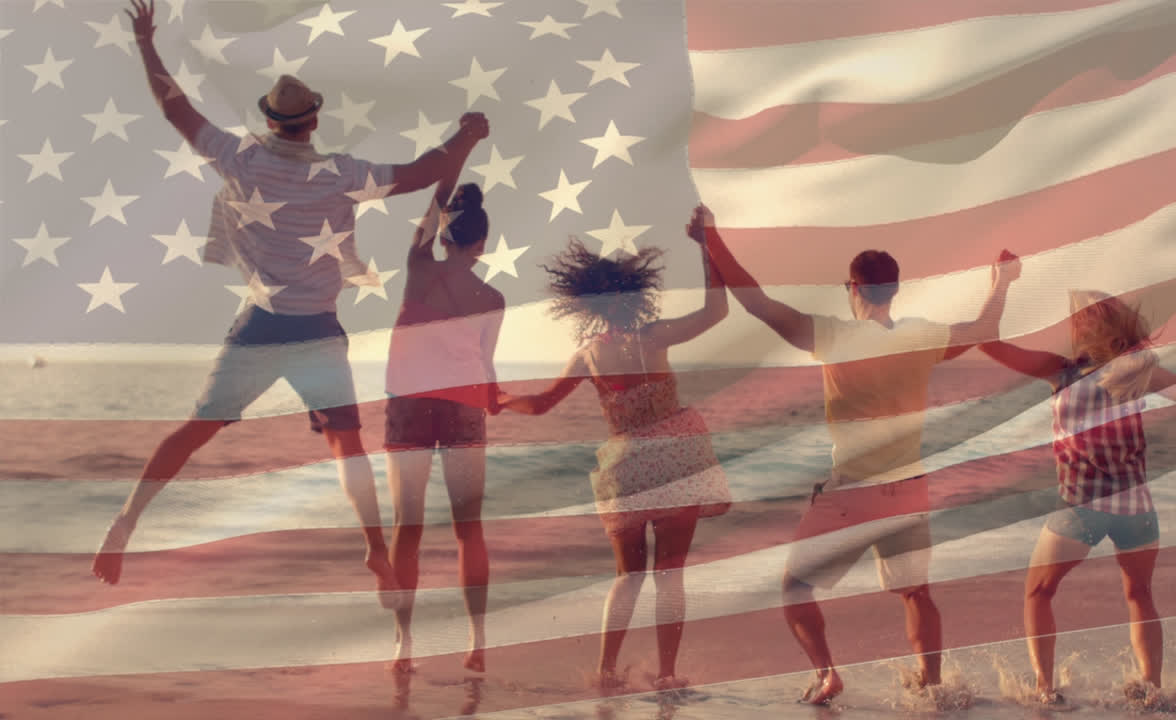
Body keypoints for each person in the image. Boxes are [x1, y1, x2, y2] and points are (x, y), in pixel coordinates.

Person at [91, 0, 490, 600]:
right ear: (312, 121)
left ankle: (126, 519)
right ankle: (374, 551)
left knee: (194, 430)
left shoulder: (237, 158)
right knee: (346, 448)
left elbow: (174, 106)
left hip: (259, 327)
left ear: (271, 121)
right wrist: (464, 138)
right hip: (317, 332)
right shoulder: (340, 173)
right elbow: (417, 173)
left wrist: (147, 43)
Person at [699, 207, 1020, 704]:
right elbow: (985, 327)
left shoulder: (836, 336)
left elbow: (755, 301)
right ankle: (931, 686)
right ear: (893, 290)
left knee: (795, 587)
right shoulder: (921, 336)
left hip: (854, 492)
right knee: (916, 593)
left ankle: (828, 674)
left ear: (852, 288)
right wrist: (1002, 281)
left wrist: (712, 239)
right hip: (910, 489)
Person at [979, 289, 1176, 707]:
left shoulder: (1060, 371)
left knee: (1038, 593)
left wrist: (1000, 287)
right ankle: (1151, 689)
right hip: (1136, 509)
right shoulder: (1137, 371)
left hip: (1082, 507)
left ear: (1083, 330)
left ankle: (1045, 690)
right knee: (1139, 594)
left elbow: (990, 344)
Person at [498, 206, 731, 689]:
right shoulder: (657, 335)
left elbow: (541, 405)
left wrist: (499, 399)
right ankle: (666, 674)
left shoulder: (589, 354)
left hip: (626, 465)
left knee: (628, 576)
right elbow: (717, 310)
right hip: (677, 454)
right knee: (670, 574)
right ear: (636, 297)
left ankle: (605, 671)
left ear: (591, 306)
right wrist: (707, 246)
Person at [383, 175, 504, 673]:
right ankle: (477, 642)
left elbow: (424, 225)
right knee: (468, 529)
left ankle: (403, 646)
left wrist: (455, 158)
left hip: (410, 403)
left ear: (444, 238)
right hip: (463, 405)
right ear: (482, 245)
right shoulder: (493, 299)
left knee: (406, 528)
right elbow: (486, 361)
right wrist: (494, 399)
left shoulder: (418, 270)